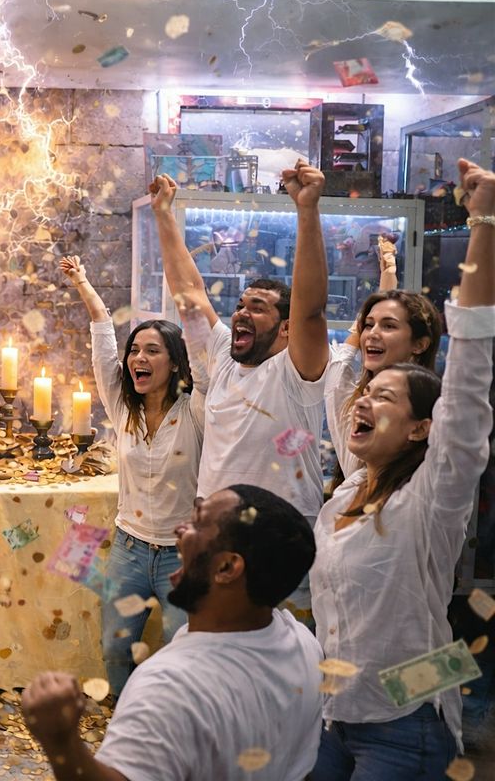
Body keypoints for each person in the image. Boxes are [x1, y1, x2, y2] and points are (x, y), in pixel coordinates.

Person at [310, 159, 495, 780]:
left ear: (422, 426)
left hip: (401, 726)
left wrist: (485, 224)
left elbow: (467, 379)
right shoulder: (345, 495)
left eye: (384, 398)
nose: (362, 401)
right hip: (334, 716)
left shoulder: (429, 494)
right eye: (366, 394)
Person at [22, 485, 322, 781]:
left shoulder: (169, 687)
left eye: (198, 523)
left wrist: (61, 740)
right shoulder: (303, 645)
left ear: (227, 567)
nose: (180, 529)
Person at [150, 165, 330, 615]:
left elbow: (311, 310)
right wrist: (164, 215)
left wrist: (307, 210)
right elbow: (188, 292)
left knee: (281, 646)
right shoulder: (223, 359)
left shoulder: (297, 372)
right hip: (217, 533)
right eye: (241, 305)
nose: (241, 314)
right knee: (212, 635)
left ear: (286, 327)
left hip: (279, 540)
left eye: (259, 307)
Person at [59, 254, 205, 697]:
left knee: (182, 652)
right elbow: (103, 338)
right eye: (135, 351)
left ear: (176, 363)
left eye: (152, 351)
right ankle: (121, 717)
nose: (138, 358)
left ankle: (170, 723)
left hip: (183, 556)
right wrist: (83, 282)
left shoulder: (197, 410)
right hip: (129, 551)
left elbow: (204, 349)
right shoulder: (123, 407)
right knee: (115, 648)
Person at [324, 239, 441, 480]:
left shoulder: (437, 412)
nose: (372, 334)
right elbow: (341, 365)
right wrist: (387, 280)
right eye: (368, 325)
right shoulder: (351, 402)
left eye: (389, 326)